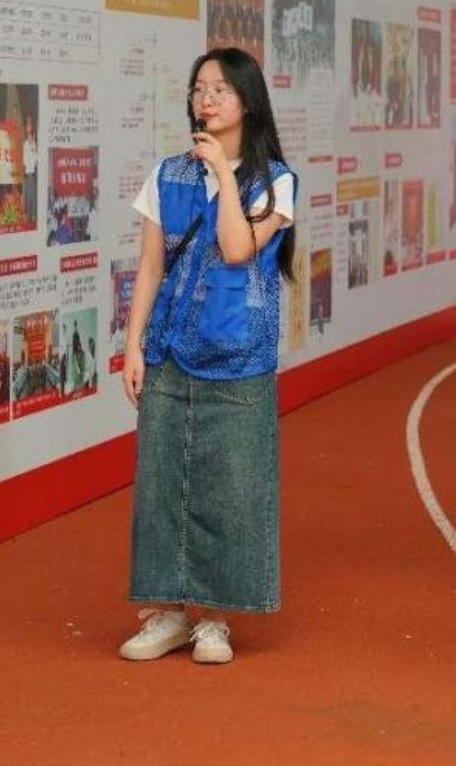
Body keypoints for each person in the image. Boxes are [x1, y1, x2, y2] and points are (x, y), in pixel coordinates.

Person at [120, 47, 297, 666]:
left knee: (230, 487)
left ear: (247, 100)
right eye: (200, 88)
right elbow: (150, 266)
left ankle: (215, 619)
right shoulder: (166, 175)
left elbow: (236, 249)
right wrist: (132, 345)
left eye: (221, 89)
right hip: (168, 347)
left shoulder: (275, 180)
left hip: (239, 354)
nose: (207, 98)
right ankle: (166, 613)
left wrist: (223, 173)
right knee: (162, 484)